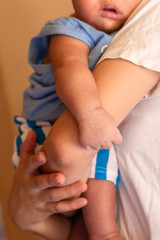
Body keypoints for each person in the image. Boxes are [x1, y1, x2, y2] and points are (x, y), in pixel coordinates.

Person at [9, 0, 160, 239]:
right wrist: (91, 113)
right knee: (100, 148)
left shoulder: (128, 30)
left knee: (84, 207)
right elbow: (70, 67)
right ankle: (106, 234)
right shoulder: (69, 30)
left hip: (60, 142)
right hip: (42, 130)